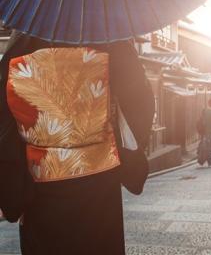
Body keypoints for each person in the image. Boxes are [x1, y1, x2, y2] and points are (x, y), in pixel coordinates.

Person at [0, 31, 155, 255]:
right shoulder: (109, 33)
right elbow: (140, 101)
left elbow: (4, 110)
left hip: (41, 181)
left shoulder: (26, 33)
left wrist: (12, 182)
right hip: (99, 180)